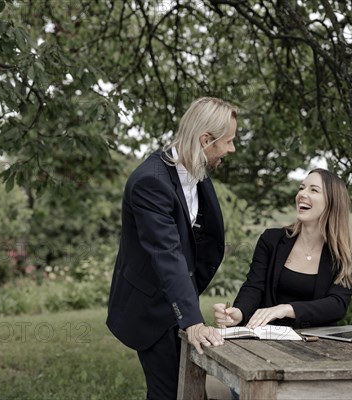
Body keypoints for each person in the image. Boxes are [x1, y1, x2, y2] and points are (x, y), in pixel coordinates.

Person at [107, 97, 238, 400]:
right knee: (170, 393)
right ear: (206, 140)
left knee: (190, 390)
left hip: (178, 297)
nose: (231, 149)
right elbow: (166, 253)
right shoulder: (150, 182)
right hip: (149, 306)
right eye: (228, 141)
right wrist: (192, 319)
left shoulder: (196, 167)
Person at [214, 168, 352, 331]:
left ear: (332, 202)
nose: (302, 194)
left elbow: (337, 305)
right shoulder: (271, 240)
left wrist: (286, 309)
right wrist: (239, 312)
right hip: (267, 339)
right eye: (301, 188)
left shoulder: (345, 252)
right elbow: (254, 287)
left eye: (313, 190)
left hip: (317, 344)